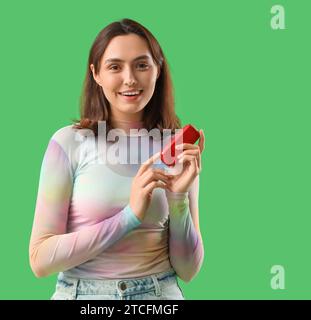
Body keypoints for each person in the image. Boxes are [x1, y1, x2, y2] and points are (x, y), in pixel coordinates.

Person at [29, 18, 205, 300]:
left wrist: (179, 198)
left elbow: (188, 269)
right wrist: (130, 217)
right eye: (115, 66)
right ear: (96, 73)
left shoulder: (175, 149)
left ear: (157, 70)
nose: (130, 79)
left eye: (141, 65)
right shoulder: (67, 143)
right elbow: (40, 260)